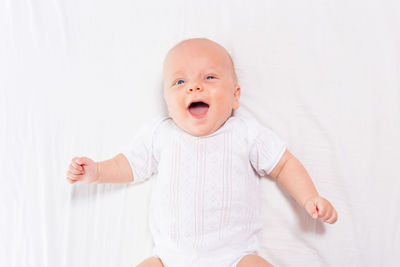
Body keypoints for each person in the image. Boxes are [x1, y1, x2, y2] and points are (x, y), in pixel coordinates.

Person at [66, 38, 338, 267]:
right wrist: (98, 171)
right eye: (179, 82)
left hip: (236, 257)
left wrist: (309, 197)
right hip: (170, 258)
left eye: (209, 77)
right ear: (167, 102)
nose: (194, 87)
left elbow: (284, 164)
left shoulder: (245, 132)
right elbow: (128, 165)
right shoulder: (161, 134)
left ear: (235, 96)